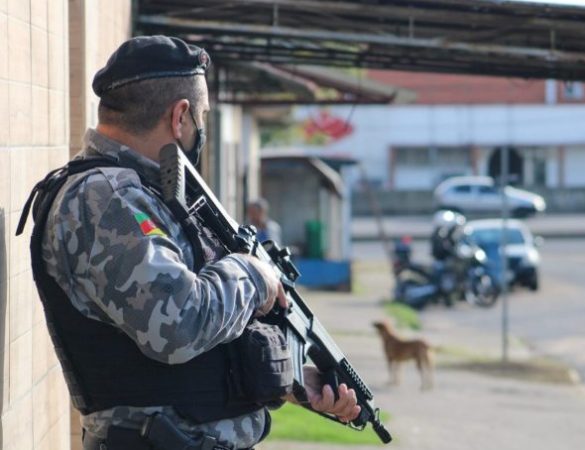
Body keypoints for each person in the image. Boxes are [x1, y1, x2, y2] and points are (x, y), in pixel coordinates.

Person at [23, 35, 360, 450]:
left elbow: (184, 356)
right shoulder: (106, 197)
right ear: (180, 116)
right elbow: (178, 323)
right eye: (202, 117)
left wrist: (287, 377)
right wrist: (253, 273)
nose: (200, 129)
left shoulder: (147, 197)